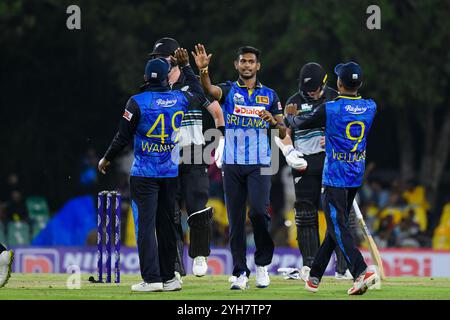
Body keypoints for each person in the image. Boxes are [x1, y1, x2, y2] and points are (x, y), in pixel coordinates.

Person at [98, 48, 207, 292]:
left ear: (147, 78)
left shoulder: (136, 102)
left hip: (144, 174)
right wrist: (188, 67)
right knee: (167, 227)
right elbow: (199, 93)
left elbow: (121, 137)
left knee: (145, 227)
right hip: (170, 173)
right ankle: (169, 278)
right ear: (167, 78)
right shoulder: (180, 98)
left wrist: (106, 158)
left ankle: (152, 279)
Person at [192, 44, 286, 290]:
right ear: (236, 65)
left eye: (251, 61)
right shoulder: (229, 90)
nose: (246, 65)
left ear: (258, 66)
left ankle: (262, 266)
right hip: (233, 164)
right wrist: (203, 70)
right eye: (242, 61)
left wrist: (274, 121)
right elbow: (210, 90)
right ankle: (240, 272)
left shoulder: (271, 95)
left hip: (260, 163)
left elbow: (284, 130)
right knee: (235, 220)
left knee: (258, 212)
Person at [284, 61, 378, 295]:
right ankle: (315, 275)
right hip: (355, 173)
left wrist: (289, 118)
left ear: (338, 83)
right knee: (335, 226)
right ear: (360, 83)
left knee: (337, 225)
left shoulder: (331, 108)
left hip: (334, 176)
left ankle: (360, 271)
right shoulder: (370, 106)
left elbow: (300, 123)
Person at [148, 38, 225, 279]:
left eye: (162, 57)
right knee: (169, 213)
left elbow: (216, 111)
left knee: (197, 206)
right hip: (165, 156)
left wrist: (220, 140)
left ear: (174, 58)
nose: (157, 61)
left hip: (194, 150)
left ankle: (200, 255)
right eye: (155, 57)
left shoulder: (189, 84)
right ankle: (174, 266)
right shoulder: (153, 84)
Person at [275, 62, 352, 280]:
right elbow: (283, 132)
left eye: (315, 88)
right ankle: (310, 266)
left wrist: (333, 140)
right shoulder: (293, 102)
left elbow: (350, 130)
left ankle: (343, 268)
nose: (311, 92)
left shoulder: (336, 98)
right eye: (307, 88)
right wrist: (289, 151)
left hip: (332, 163)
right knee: (305, 213)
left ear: (325, 83)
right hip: (304, 164)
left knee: (338, 214)